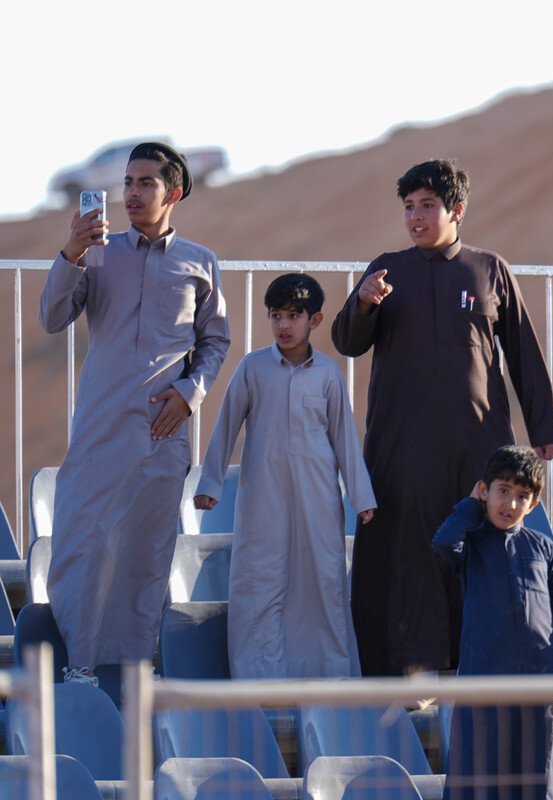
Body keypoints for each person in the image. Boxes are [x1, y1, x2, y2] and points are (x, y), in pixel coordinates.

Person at [332, 159, 553, 677]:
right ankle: (412, 667)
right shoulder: (386, 270)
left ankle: (478, 664)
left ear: (457, 210)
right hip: (402, 444)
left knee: (479, 546)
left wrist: (543, 427)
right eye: (408, 207)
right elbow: (347, 342)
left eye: (427, 206)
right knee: (409, 553)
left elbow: (523, 351)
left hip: (478, 443)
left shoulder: (489, 269)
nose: (415, 217)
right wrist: (363, 303)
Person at [39, 142, 230, 684]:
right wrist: (71, 253)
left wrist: (191, 393)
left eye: (146, 183)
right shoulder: (99, 253)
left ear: (174, 193)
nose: (132, 193)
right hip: (100, 427)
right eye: (127, 182)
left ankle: (136, 667)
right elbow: (52, 317)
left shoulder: (200, 261)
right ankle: (79, 665)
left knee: (146, 554)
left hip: (161, 431)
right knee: (84, 545)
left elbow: (215, 342)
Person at [194, 273, 375, 678]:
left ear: (315, 320)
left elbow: (345, 439)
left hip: (318, 497)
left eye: (294, 315)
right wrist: (210, 484)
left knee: (322, 580)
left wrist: (361, 498)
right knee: (260, 581)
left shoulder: (328, 374)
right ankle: (260, 681)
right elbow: (226, 425)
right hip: (264, 497)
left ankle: (329, 678)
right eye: (276, 315)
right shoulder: (253, 368)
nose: (283, 325)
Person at [433, 445, 553, 800]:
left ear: (533, 505)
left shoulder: (542, 547)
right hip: (484, 680)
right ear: (484, 491)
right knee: (482, 773)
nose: (511, 504)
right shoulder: (470, 544)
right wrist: (471, 505)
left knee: (539, 774)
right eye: (502, 491)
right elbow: (443, 542)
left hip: (540, 682)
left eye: (522, 497)